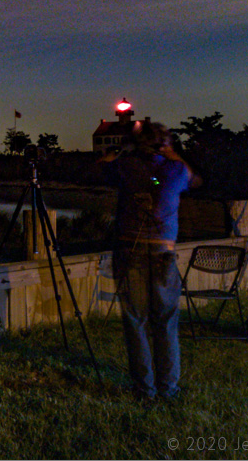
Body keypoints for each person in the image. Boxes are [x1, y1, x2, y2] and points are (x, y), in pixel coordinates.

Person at [98, 121, 201, 403]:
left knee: (136, 321)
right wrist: (174, 155)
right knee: (165, 322)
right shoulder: (176, 169)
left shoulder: (126, 166)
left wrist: (113, 155)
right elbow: (195, 180)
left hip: (129, 250)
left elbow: (101, 169)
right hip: (162, 252)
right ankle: (168, 390)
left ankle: (144, 390)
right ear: (164, 143)